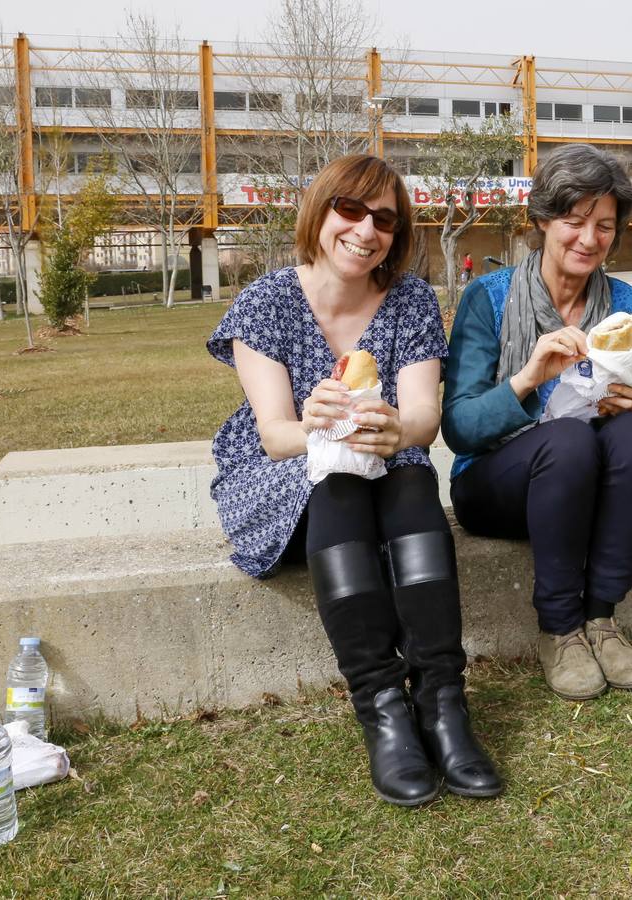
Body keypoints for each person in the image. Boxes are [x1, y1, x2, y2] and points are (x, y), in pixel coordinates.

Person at [207, 154, 501, 806]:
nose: (366, 230)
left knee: (413, 484)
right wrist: (316, 425)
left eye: (385, 220)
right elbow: (274, 433)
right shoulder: (267, 302)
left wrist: (395, 427)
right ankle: (381, 707)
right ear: (321, 211)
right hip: (287, 466)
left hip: (387, 456)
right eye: (352, 210)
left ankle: (442, 702)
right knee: (337, 486)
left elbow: (423, 419)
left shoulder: (411, 300)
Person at [442, 143, 632, 701]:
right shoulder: (488, 298)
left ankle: (601, 620)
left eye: (605, 226)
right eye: (574, 222)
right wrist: (526, 379)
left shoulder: (624, 303)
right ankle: (560, 630)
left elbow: (620, 400)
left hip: (578, 481)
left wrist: (620, 404)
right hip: (495, 483)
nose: (589, 240)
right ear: (542, 220)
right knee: (565, 439)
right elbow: (460, 428)